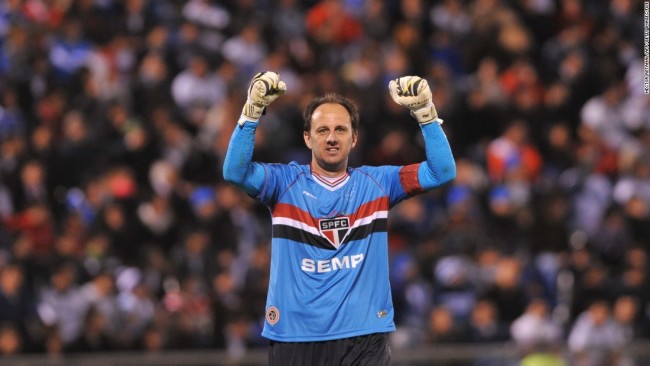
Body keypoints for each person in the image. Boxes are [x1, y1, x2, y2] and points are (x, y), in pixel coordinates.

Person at [223, 71, 456, 365]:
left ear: (354, 138)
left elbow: (441, 172)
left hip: (364, 336)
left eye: (340, 130)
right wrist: (251, 114)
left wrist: (426, 116)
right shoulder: (283, 184)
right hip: (296, 334)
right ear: (307, 138)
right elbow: (235, 172)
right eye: (322, 130)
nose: (332, 138)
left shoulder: (379, 184)